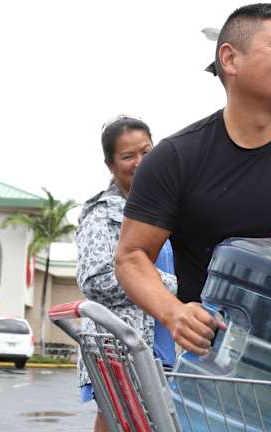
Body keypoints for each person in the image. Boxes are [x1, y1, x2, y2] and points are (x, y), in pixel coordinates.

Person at [115, 3, 271, 356]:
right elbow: (131, 257)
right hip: (210, 361)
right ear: (230, 59)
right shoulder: (174, 158)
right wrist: (174, 313)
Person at [75, 115, 177, 432]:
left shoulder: (168, 208)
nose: (140, 162)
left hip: (163, 340)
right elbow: (94, 280)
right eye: (128, 156)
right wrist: (165, 285)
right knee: (118, 420)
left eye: (146, 152)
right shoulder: (102, 213)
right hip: (119, 344)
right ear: (110, 165)